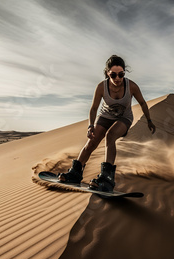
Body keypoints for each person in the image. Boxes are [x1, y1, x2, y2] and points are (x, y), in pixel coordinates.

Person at [58, 55, 156, 192]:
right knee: (92, 141)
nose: (117, 78)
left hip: (124, 118)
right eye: (113, 75)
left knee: (110, 136)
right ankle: (75, 173)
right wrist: (90, 126)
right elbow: (93, 108)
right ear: (107, 73)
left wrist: (149, 121)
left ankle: (107, 177)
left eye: (121, 74)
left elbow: (143, 103)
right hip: (105, 116)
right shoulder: (101, 87)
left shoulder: (131, 86)